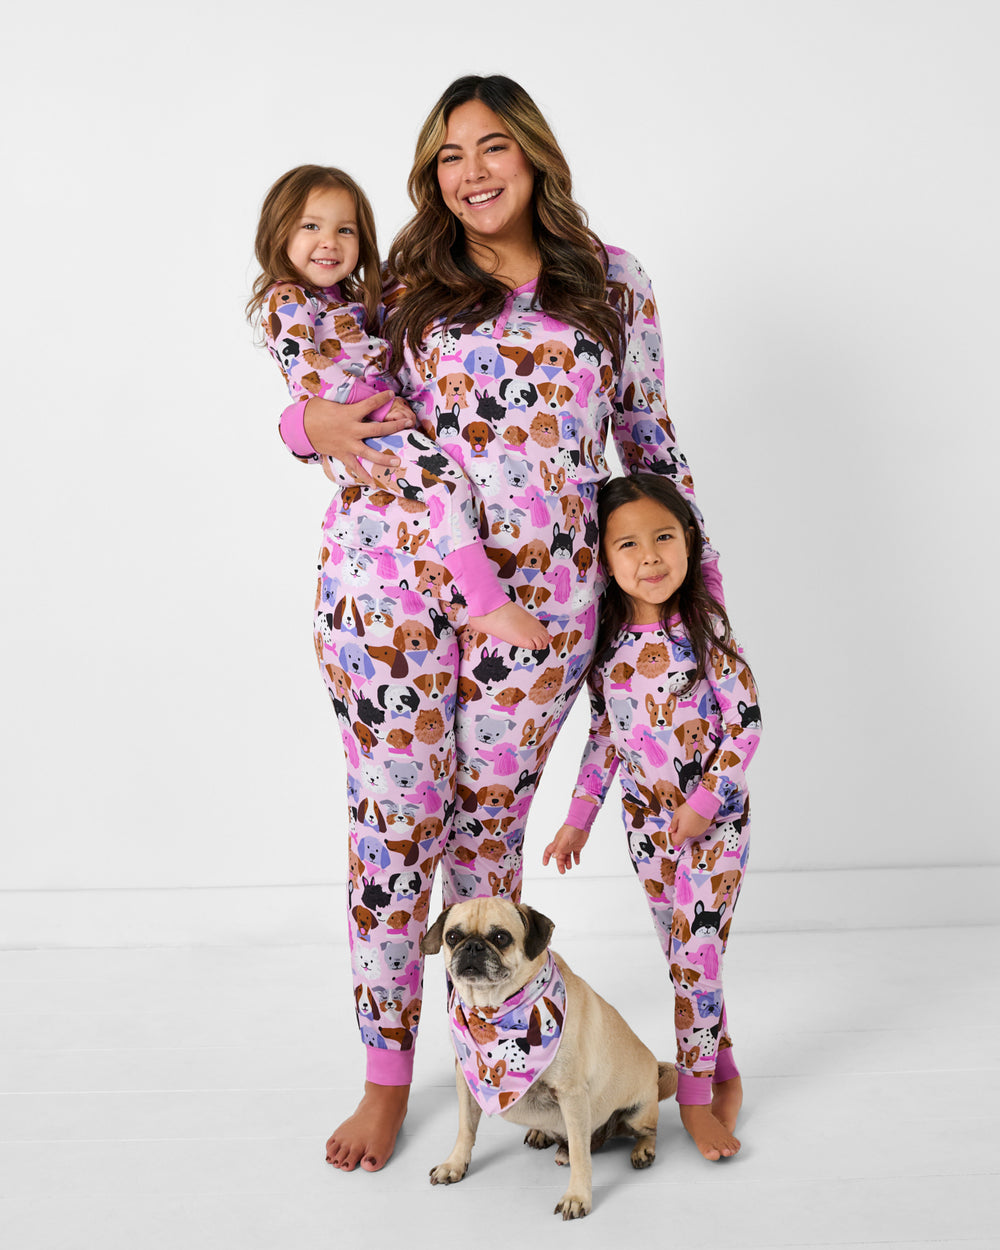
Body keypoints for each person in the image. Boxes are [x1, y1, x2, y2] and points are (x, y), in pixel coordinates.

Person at [279, 76, 726, 1174]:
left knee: (484, 846)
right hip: (390, 586)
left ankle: (500, 1059)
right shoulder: (398, 284)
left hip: (546, 611)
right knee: (393, 829)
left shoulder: (612, 284)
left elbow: (649, 446)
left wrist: (695, 593)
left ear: (533, 157)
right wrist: (302, 423)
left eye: (491, 149)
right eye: (447, 157)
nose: (470, 173)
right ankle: (387, 1076)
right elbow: (316, 372)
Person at [543, 473, 761, 1162]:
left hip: (713, 826)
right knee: (684, 960)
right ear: (604, 561)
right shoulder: (607, 647)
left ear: (690, 542)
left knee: (696, 959)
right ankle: (722, 1071)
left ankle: (695, 1097)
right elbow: (607, 739)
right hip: (646, 830)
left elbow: (747, 723)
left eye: (664, 538)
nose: (651, 557)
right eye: (628, 544)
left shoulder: (705, 627)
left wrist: (703, 803)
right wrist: (578, 820)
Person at [249, 164, 550, 650]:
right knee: (447, 486)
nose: (328, 242)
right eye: (311, 226)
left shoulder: (350, 299)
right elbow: (304, 371)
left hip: (377, 438)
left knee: (439, 491)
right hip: (364, 431)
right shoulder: (288, 297)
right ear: (276, 231)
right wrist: (357, 411)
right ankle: (487, 601)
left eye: (344, 230)